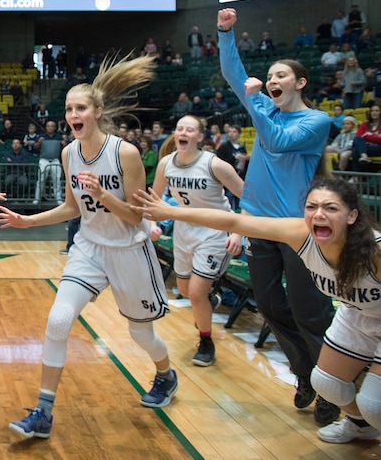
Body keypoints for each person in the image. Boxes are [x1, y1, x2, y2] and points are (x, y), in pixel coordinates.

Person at [0, 54, 176, 440]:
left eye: (80, 108)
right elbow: (71, 207)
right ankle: (43, 412)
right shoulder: (68, 153)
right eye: (68, 109)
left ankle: (166, 375)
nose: (72, 114)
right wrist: (26, 220)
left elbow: (136, 215)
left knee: (141, 335)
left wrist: (103, 194)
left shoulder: (124, 153)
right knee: (59, 319)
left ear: (96, 112)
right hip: (90, 248)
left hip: (129, 248)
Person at [134, 177, 381, 445]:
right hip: (356, 313)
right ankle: (360, 426)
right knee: (327, 383)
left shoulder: (374, 251)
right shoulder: (300, 234)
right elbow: (234, 222)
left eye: (331, 208)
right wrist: (170, 211)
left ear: (352, 216)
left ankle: (369, 417)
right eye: (312, 207)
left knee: (373, 404)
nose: (319, 214)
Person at [217, 7, 339, 425]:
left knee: (311, 312)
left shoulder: (316, 121)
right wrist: (225, 34)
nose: (272, 80)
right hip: (257, 225)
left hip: (297, 230)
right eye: (268, 76)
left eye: (281, 75)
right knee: (269, 306)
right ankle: (307, 375)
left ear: (300, 83)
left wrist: (255, 100)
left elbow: (277, 140)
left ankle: (333, 387)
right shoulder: (264, 107)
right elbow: (235, 74)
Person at [151, 115, 243, 366]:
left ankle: (205, 341)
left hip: (214, 232)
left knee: (194, 292)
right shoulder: (166, 164)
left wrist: (238, 231)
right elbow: (154, 199)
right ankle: (208, 301)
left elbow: (247, 196)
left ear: (200, 137)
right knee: (184, 291)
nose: (183, 132)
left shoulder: (214, 164)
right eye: (179, 128)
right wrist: (152, 224)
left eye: (190, 129)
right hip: (184, 231)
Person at [33, 120, 67, 205]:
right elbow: (34, 147)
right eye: (48, 126)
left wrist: (64, 144)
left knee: (57, 180)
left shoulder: (59, 137)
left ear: (55, 127)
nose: (50, 127)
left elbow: (66, 147)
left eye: (52, 126)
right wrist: (39, 142)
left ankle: (58, 199)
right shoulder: (41, 136)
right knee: (41, 180)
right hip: (44, 160)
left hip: (55, 160)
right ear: (46, 127)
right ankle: (37, 198)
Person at [216, 124, 249, 209]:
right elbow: (220, 161)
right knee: (229, 201)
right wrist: (233, 158)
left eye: (234, 132)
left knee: (240, 202)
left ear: (239, 134)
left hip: (240, 176)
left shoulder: (241, 146)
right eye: (230, 132)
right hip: (228, 178)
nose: (231, 134)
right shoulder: (224, 146)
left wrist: (246, 158)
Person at [350, 104, 381, 171]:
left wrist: (366, 136)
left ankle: (356, 176)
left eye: (377, 111)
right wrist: (375, 137)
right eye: (372, 111)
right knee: (356, 146)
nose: (374, 113)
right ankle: (364, 156)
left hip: (378, 148)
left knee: (356, 150)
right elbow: (358, 137)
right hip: (366, 147)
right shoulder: (364, 124)